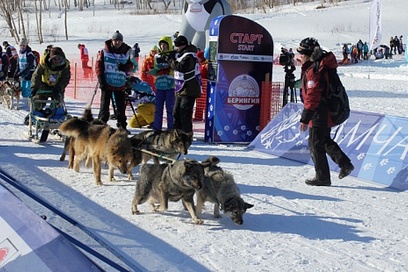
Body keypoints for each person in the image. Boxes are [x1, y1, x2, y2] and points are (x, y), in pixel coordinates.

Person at [297, 37, 354, 186]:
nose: (300, 57)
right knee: (324, 141)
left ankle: (322, 177)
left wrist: (305, 117)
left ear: (309, 54)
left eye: (302, 53)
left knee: (315, 144)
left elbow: (313, 95)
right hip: (325, 110)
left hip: (319, 112)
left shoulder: (314, 70)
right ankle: (345, 164)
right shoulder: (320, 66)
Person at [95, 30, 134, 130]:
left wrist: (125, 68)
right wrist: (101, 79)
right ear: (112, 41)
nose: (117, 43)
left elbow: (131, 65)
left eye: (119, 41)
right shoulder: (104, 52)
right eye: (115, 40)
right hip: (107, 83)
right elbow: (99, 66)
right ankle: (100, 127)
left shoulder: (126, 52)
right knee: (104, 107)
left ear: (122, 42)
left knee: (121, 108)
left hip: (120, 83)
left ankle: (122, 127)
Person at [167, 35, 201, 134]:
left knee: (185, 113)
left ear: (182, 45)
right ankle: (177, 133)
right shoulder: (183, 55)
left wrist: (170, 60)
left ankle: (187, 134)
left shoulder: (189, 56)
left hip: (189, 89)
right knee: (176, 112)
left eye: (177, 45)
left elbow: (182, 67)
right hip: (181, 88)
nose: (176, 48)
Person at [150, 36, 175, 131]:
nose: (162, 46)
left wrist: (168, 71)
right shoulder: (157, 56)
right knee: (158, 109)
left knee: (170, 109)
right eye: (161, 44)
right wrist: (157, 72)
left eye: (164, 44)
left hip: (170, 85)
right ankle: (157, 128)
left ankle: (171, 128)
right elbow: (156, 68)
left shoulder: (173, 55)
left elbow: (176, 69)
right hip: (160, 85)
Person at [193, 49, 208, 121]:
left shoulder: (206, 65)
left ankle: (206, 116)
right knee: (199, 101)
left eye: (198, 57)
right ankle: (198, 116)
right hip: (199, 84)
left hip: (205, 84)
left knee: (204, 102)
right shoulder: (198, 65)